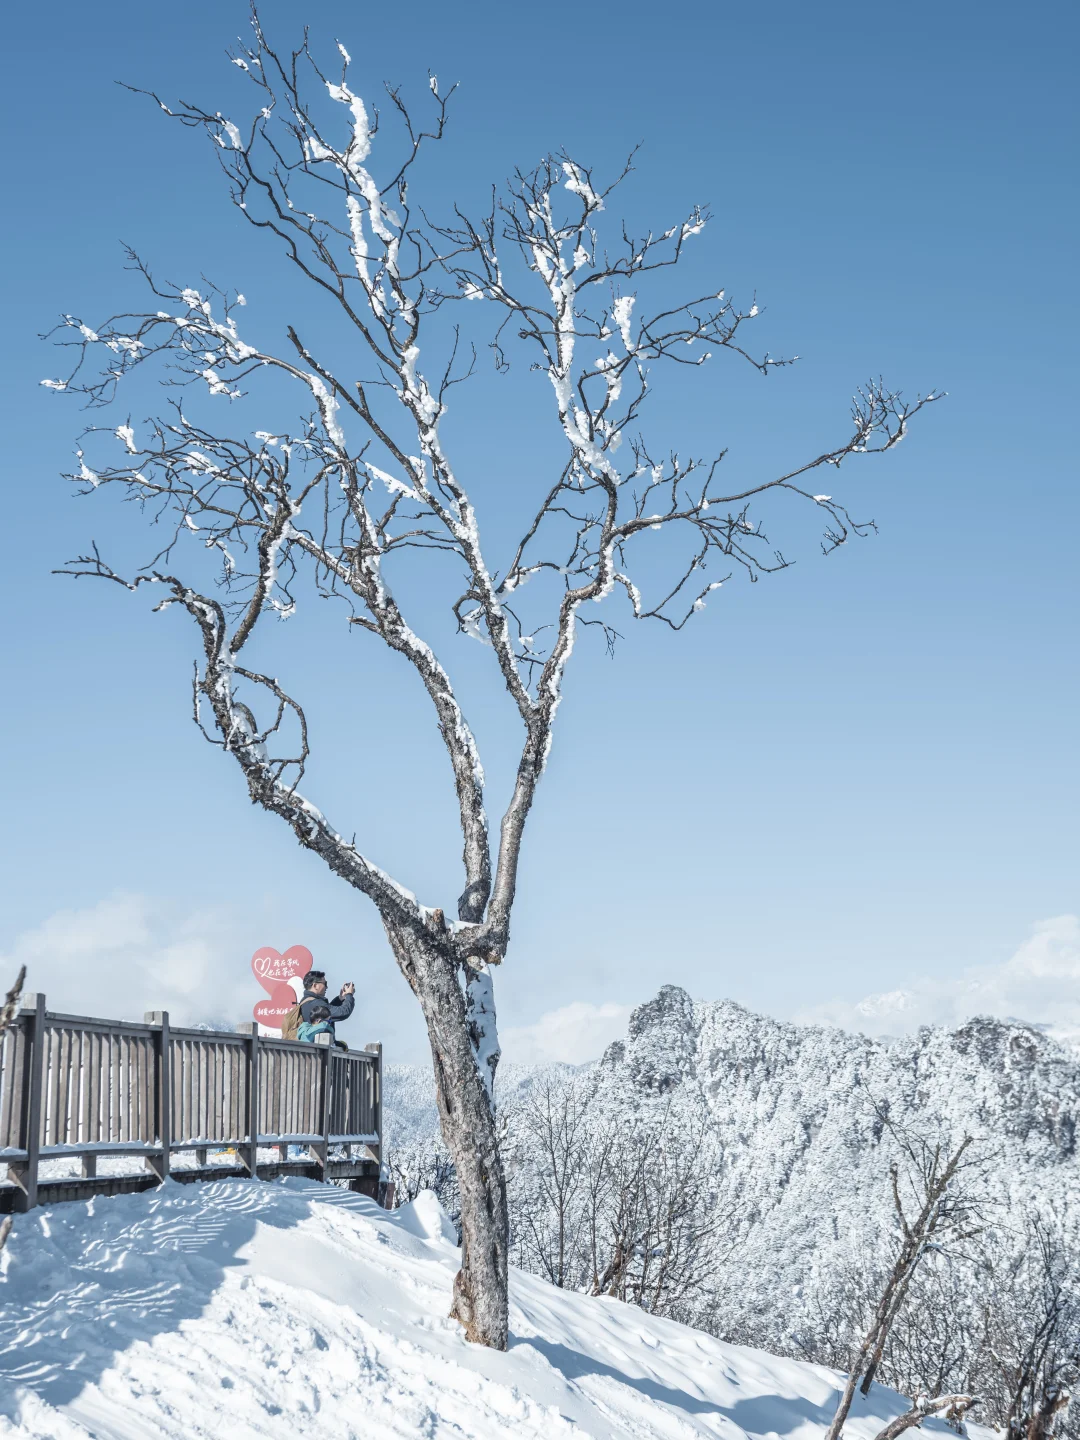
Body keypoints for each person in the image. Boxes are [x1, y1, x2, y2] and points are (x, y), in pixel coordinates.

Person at [298, 969, 355, 1046]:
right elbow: (343, 1012)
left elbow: (328, 1010)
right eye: (325, 983)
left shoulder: (307, 1002)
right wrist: (349, 995)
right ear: (315, 985)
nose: (326, 987)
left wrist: (340, 998)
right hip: (319, 1052)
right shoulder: (315, 1003)